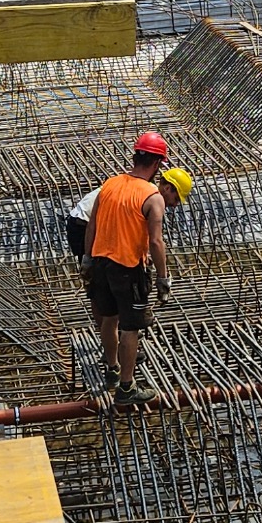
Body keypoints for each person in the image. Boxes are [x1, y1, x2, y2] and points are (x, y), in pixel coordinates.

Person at [82, 132, 178, 406]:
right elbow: (157, 241)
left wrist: (88, 259)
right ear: (158, 163)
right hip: (128, 270)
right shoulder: (152, 195)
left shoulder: (110, 184)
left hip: (100, 263)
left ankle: (111, 371)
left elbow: (92, 225)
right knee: (130, 328)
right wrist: (163, 278)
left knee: (108, 319)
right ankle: (126, 387)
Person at [67, 164, 191, 261]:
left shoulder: (145, 190)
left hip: (82, 221)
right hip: (82, 223)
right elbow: (152, 239)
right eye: (176, 199)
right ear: (167, 188)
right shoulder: (152, 196)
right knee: (99, 272)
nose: (175, 205)